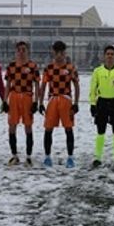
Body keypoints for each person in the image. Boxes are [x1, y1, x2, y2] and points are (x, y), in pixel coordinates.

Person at [40, 40, 80, 168]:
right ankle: (47, 157)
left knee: (68, 128)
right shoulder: (49, 68)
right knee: (48, 128)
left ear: (65, 53)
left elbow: (76, 85)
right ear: (53, 52)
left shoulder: (70, 68)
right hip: (52, 100)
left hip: (66, 100)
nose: (59, 55)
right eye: (56, 52)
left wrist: (76, 103)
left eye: (61, 52)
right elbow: (43, 85)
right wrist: (40, 102)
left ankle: (70, 157)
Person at [88, 45, 114, 169]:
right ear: (104, 56)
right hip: (102, 103)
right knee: (100, 131)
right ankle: (98, 158)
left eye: (112, 54)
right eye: (108, 54)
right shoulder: (97, 71)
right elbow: (93, 89)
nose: (110, 56)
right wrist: (92, 104)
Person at [5, 41, 40, 167]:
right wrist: (5, 101)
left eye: (23, 49)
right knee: (12, 126)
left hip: (27, 97)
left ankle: (29, 156)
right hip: (14, 97)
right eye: (19, 49)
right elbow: (8, 85)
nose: (21, 52)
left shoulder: (32, 66)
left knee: (28, 126)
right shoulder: (11, 66)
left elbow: (36, 85)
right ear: (16, 51)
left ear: (27, 51)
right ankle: (14, 156)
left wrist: (36, 102)